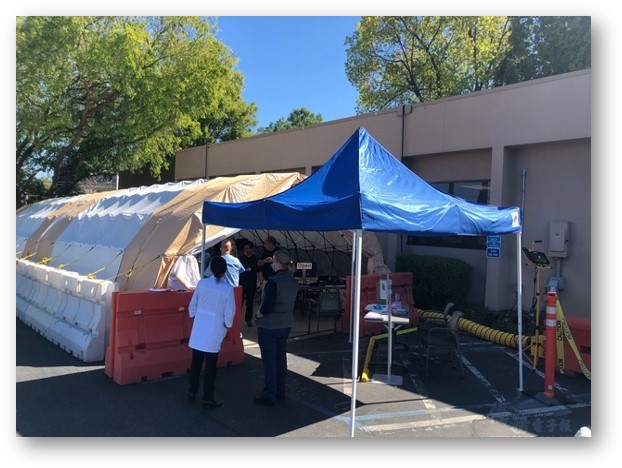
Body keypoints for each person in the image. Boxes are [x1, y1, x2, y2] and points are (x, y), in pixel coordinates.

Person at [187, 256, 236, 409]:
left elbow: (192, 306)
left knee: (195, 363)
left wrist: (195, 316)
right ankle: (208, 398)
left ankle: (192, 391)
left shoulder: (202, 283)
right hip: (215, 330)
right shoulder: (227, 289)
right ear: (224, 271)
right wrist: (227, 325)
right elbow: (230, 312)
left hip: (199, 328)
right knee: (210, 367)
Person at [253, 249, 299, 406]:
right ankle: (280, 390)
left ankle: (269, 393)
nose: (272, 264)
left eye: (274, 261)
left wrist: (258, 315)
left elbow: (267, 306)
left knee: (269, 361)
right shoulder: (293, 282)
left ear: (278, 264)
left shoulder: (273, 282)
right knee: (280, 358)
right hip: (286, 323)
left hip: (269, 326)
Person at [239, 240, 259, 327]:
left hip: (251, 283)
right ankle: (236, 319)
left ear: (251, 249)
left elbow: (259, 270)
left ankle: (248, 320)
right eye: (245, 249)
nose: (246, 250)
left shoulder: (255, 259)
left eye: (247, 248)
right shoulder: (241, 258)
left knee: (250, 303)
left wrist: (260, 282)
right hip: (241, 283)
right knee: (239, 302)